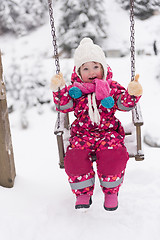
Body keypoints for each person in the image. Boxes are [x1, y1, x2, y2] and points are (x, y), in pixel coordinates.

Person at [50, 38, 143, 211]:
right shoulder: (75, 90)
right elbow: (64, 105)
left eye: (95, 66)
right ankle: (83, 193)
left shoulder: (111, 87)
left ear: (103, 67)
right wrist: (59, 89)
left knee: (113, 155)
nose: (91, 72)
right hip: (82, 134)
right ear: (79, 72)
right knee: (75, 158)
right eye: (85, 68)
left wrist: (132, 93)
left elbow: (124, 104)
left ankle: (111, 192)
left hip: (109, 133)